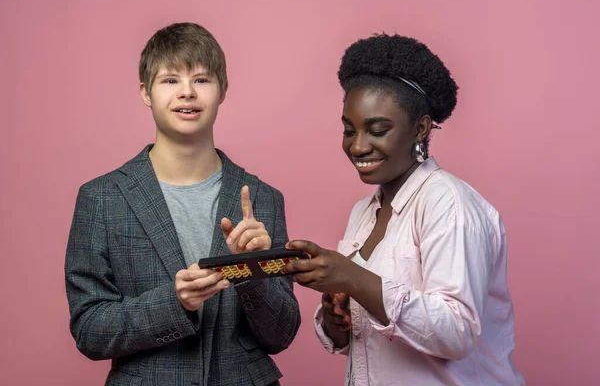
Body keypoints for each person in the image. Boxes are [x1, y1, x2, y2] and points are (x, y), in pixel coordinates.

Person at [65, 22, 300, 386]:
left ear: (222, 90)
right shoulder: (101, 198)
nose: (187, 93)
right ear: (146, 92)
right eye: (170, 80)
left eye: (202, 80)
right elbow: (89, 330)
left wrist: (250, 272)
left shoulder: (263, 199)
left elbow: (281, 335)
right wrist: (174, 302)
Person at [283, 34, 524, 385]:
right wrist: (339, 314)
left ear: (420, 128)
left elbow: (457, 332)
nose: (358, 146)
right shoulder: (362, 213)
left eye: (377, 130)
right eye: (349, 130)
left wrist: (352, 277)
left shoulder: (449, 203)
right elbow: (368, 345)